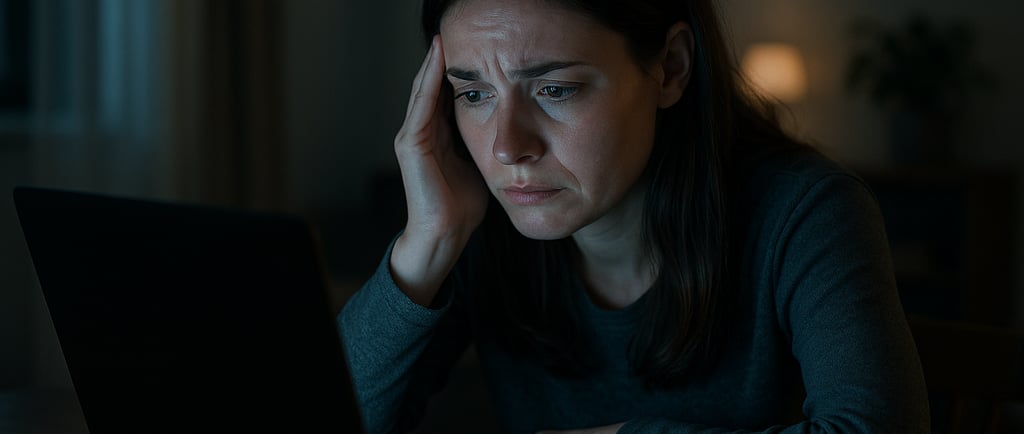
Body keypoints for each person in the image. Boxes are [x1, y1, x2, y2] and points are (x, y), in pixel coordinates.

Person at [339, 0, 930, 432]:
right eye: (473, 94)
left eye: (555, 89)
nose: (505, 148)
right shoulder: (475, 226)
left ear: (670, 67)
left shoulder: (805, 212)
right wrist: (427, 243)